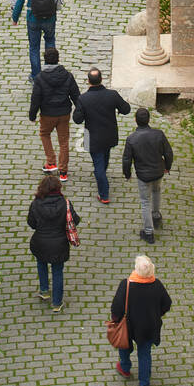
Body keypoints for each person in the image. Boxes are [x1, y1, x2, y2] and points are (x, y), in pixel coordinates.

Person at [111, 254, 172, 386]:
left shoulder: (126, 285)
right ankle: (144, 385)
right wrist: (158, 314)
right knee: (145, 354)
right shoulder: (157, 285)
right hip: (149, 327)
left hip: (129, 326)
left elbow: (116, 308)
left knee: (124, 346)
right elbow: (167, 304)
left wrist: (116, 320)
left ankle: (125, 367)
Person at [72, 67, 130, 204]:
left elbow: (77, 119)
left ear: (88, 81)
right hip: (109, 135)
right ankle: (101, 175)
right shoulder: (112, 95)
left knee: (98, 163)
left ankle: (104, 194)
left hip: (92, 137)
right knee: (104, 157)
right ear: (101, 79)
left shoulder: (83, 98)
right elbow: (126, 109)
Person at [27, 174, 80, 313]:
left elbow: (31, 223)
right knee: (57, 271)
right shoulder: (65, 203)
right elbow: (75, 220)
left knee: (41, 264)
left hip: (40, 243)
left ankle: (44, 290)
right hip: (59, 244)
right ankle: (57, 303)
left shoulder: (36, 203)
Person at [122, 107, 174, 244]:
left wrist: (127, 174)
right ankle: (156, 215)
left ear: (135, 121)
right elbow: (168, 153)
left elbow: (126, 159)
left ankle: (149, 232)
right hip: (158, 172)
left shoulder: (131, 139)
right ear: (149, 119)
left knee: (145, 201)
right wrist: (167, 167)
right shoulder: (159, 134)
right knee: (157, 191)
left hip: (143, 176)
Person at [29, 46, 80, 179]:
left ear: (45, 61)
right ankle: (63, 171)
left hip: (47, 114)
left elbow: (36, 98)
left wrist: (32, 115)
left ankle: (51, 162)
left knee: (45, 134)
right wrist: (80, 111)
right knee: (63, 141)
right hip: (64, 113)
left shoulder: (40, 78)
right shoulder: (67, 75)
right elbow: (75, 95)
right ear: (58, 59)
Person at [12, 0, 62, 83]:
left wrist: (15, 18)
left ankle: (36, 76)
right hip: (50, 18)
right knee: (50, 42)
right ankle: (50, 71)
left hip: (33, 19)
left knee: (34, 47)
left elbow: (20, 1)